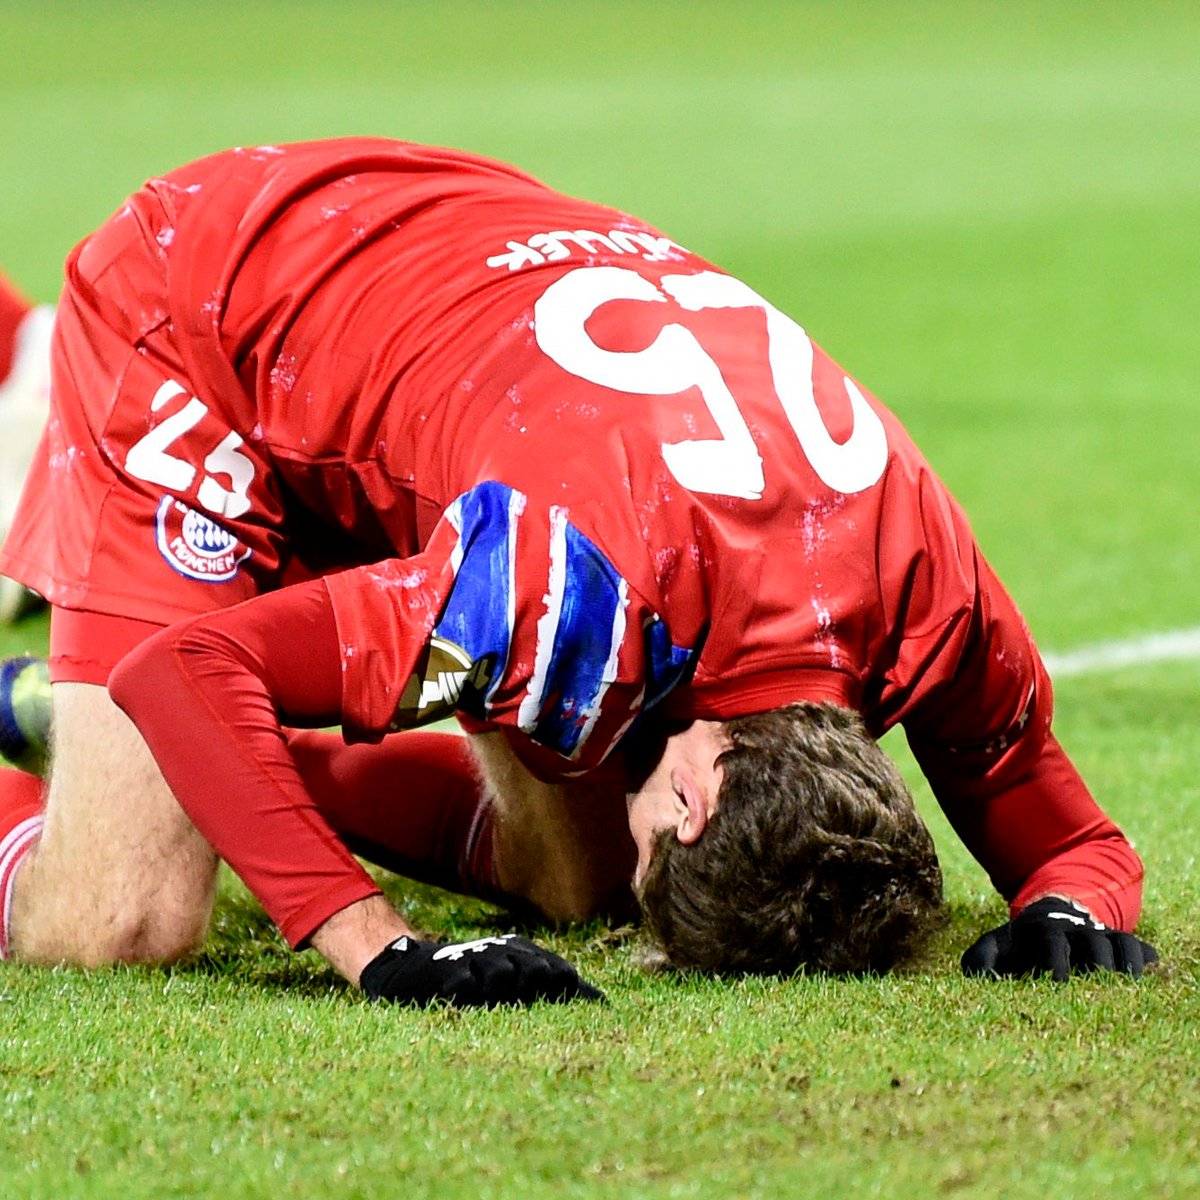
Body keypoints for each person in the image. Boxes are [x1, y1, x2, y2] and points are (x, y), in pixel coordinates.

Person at [0, 139, 1155, 1007]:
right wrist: (383, 950)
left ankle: (113, 742)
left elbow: (1079, 847)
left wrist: (1067, 908)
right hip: (215, 297)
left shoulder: (922, 592)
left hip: (470, 303)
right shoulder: (559, 600)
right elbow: (189, 670)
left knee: (580, 873)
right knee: (123, 923)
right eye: (668, 843)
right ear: (697, 795)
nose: (645, 860)